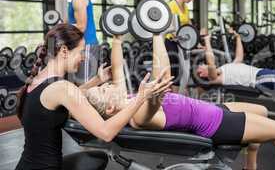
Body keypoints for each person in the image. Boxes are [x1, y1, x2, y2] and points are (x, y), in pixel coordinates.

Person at [86, 32, 275, 170]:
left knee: (262, 110)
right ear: (111, 108)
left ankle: (250, 166)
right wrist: (157, 34)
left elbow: (117, 70)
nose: (107, 86)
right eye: (103, 91)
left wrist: (116, 38)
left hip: (211, 110)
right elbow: (162, 78)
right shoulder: (137, 115)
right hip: (215, 124)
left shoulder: (126, 100)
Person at [15, 24, 172, 170]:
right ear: (64, 51)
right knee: (97, 158)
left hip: (28, 164)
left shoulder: (36, 81)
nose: (83, 57)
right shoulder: (61, 87)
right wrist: (141, 98)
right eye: (81, 52)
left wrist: (97, 80)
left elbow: (70, 95)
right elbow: (106, 132)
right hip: (46, 167)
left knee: (97, 158)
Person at [197, 28, 275, 136]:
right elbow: (210, 61)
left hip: (265, 72)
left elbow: (239, 57)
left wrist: (237, 37)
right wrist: (207, 41)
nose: (201, 65)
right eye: (199, 69)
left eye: (201, 65)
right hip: (258, 78)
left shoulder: (225, 67)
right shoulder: (215, 78)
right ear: (203, 75)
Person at [49, 0, 99, 85]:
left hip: (87, 45)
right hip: (79, 46)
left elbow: (81, 26)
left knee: (86, 84)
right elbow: (67, 24)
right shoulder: (73, 1)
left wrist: (62, 32)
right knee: (77, 83)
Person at [165, 0, 197, 92]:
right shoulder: (172, 5)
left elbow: (189, 25)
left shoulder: (185, 8)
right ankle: (174, 95)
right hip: (171, 42)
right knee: (175, 69)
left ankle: (181, 93)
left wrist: (197, 40)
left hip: (181, 42)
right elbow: (169, 26)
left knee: (185, 69)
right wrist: (179, 36)